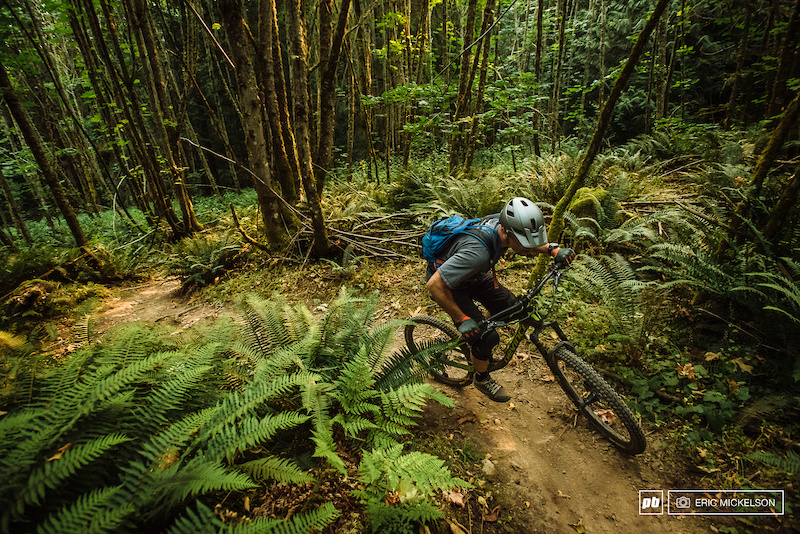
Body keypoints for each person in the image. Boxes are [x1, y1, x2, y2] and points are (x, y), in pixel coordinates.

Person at [425, 197, 575, 402]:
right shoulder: (476, 254)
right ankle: (481, 377)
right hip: (450, 285)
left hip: (473, 275)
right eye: (525, 244)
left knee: (512, 308)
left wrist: (552, 249)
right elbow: (434, 285)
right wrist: (462, 319)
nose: (530, 249)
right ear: (506, 233)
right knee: (487, 337)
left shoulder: (501, 223)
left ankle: (479, 339)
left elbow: (527, 241)